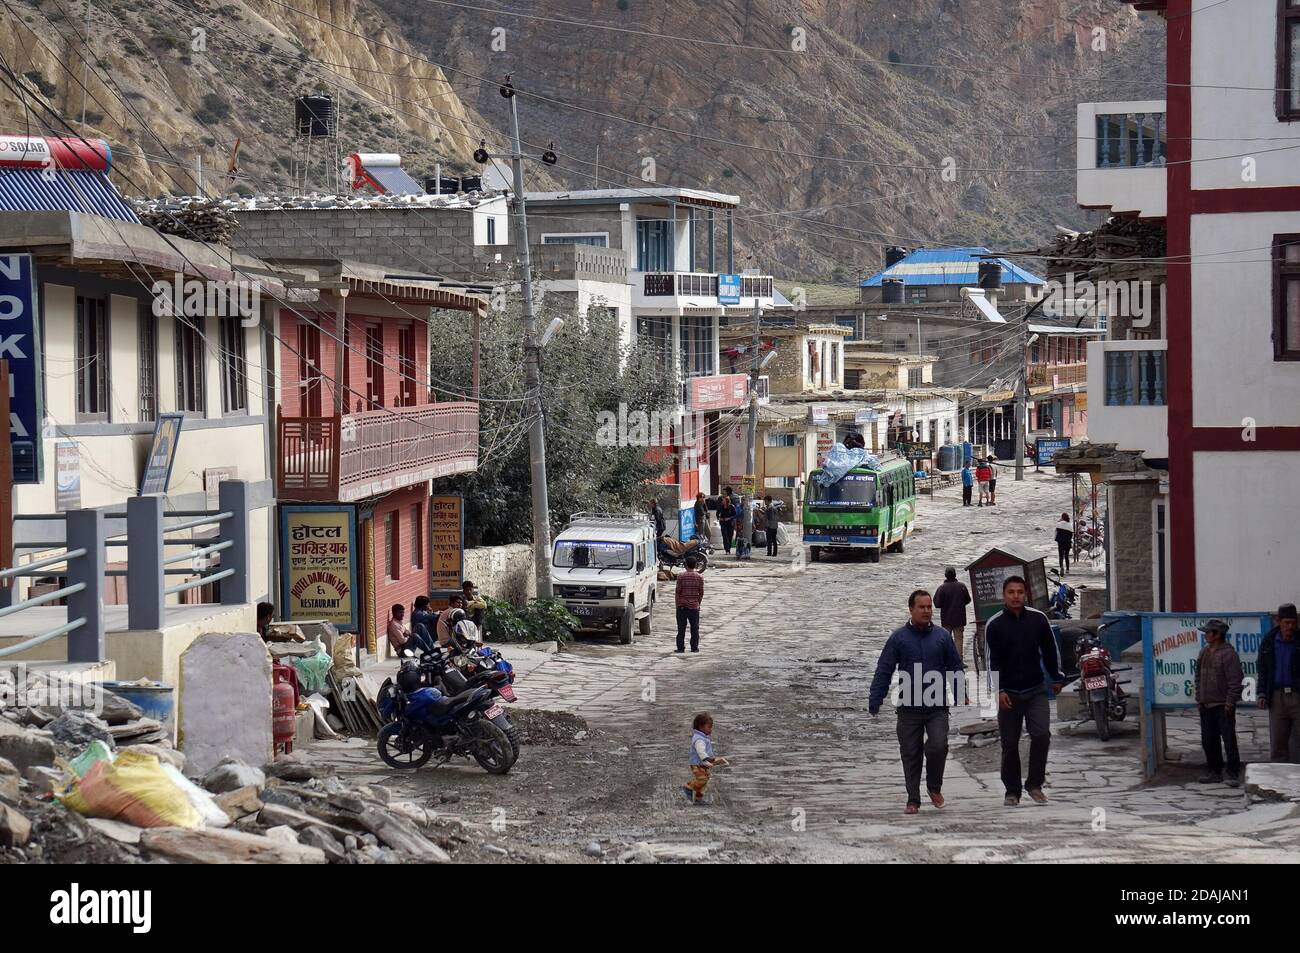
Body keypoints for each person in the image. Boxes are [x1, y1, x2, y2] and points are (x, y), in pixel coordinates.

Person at [868, 590, 965, 814]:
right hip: (908, 708)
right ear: (911, 609)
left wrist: (961, 691)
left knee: (938, 745)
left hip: (937, 706)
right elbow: (884, 669)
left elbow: (955, 666)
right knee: (910, 753)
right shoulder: (898, 638)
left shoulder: (942, 637)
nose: (926, 611)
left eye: (929, 607)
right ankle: (913, 799)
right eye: (921, 607)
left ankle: (934, 786)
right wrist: (876, 697)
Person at [986, 576, 1065, 806]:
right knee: (1009, 744)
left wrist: (1057, 676)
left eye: (1020, 591)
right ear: (1004, 595)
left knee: (1041, 735)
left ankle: (1034, 783)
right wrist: (997, 691)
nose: (1016, 596)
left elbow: (1050, 650)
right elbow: (991, 660)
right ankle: (1012, 791)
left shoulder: (1038, 620)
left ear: (1026, 594)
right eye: (1011, 592)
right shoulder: (995, 624)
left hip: (1035, 689)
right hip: (1008, 693)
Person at [1194, 619, 1244, 786]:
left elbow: (1235, 681)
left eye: (1209, 632)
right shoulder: (1204, 652)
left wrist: (1230, 702)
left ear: (1217, 634)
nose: (1206, 635)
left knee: (1229, 740)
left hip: (1223, 705)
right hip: (1206, 704)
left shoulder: (1229, 654)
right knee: (1208, 740)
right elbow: (1198, 677)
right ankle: (1214, 771)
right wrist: (1199, 697)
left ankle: (1233, 773)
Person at [1256, 604, 1300, 764]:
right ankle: (1278, 783)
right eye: (1286, 623)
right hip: (1276, 697)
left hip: (1297, 696)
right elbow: (1262, 670)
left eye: (1293, 623)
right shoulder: (1268, 642)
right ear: (1278, 621)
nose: (1290, 627)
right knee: (1278, 744)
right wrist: (1261, 693)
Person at [683, 712, 727, 804]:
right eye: (709, 727)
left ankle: (699, 799)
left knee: (705, 781)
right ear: (700, 727)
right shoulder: (699, 739)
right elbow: (701, 751)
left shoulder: (703, 737)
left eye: (711, 727)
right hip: (697, 764)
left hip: (703, 763)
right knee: (702, 779)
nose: (711, 730)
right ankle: (688, 787)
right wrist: (706, 758)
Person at [933, 567, 972, 661]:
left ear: (946, 575)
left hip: (946, 619)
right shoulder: (961, 586)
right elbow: (968, 600)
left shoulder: (942, 588)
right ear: (955, 575)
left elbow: (937, 604)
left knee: (946, 640)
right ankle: (959, 661)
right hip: (959, 618)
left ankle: (947, 660)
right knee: (959, 640)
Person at [674, 553, 704, 653]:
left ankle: (680, 648)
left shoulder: (681, 576)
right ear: (695, 565)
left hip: (682, 606)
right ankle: (694, 647)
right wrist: (698, 603)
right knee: (695, 628)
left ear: (686, 565)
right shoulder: (700, 577)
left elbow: (678, 591)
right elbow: (701, 592)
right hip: (694, 607)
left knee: (681, 629)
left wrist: (677, 604)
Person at [718, 490, 736, 554]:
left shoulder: (732, 507)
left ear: (727, 501)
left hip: (730, 523)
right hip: (723, 523)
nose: (723, 501)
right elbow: (717, 513)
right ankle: (727, 550)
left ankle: (729, 548)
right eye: (722, 500)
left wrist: (729, 518)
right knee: (725, 536)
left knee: (730, 536)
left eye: (724, 500)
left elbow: (735, 515)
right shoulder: (721, 507)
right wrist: (719, 518)